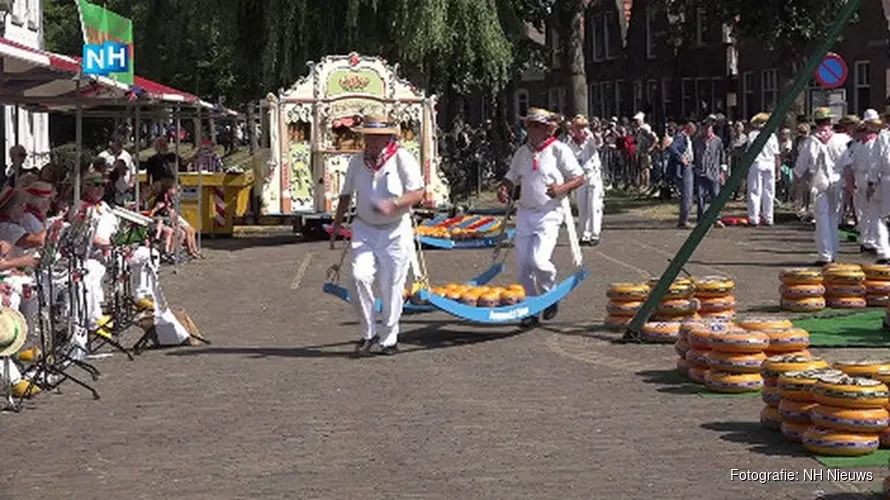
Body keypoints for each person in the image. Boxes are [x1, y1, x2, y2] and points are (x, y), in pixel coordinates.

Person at [330, 114, 425, 356]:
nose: (370, 142)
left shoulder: (402, 159)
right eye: (367, 137)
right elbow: (345, 195)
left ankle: (389, 338)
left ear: (388, 137)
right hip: (364, 228)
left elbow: (417, 193)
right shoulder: (357, 162)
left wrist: (394, 204)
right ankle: (368, 332)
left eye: (376, 137)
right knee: (359, 277)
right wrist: (336, 225)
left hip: (395, 230)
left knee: (392, 285)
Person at [497, 107, 585, 327]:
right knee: (524, 265)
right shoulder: (522, 152)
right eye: (529, 125)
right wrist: (504, 188)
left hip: (549, 212)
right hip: (525, 212)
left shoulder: (559, 150)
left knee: (539, 260)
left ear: (547, 129)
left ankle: (549, 295)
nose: (531, 129)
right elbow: (511, 177)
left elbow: (579, 177)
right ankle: (530, 309)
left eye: (536, 125)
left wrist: (561, 189)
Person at [794, 107, 851, 265]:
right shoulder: (841, 139)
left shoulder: (811, 141)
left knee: (822, 219)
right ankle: (833, 250)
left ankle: (825, 254)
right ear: (830, 122)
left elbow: (801, 165)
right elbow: (847, 164)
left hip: (819, 182)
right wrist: (850, 184)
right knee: (834, 217)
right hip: (837, 181)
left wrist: (796, 179)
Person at [845, 110, 888, 261]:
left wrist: (872, 181)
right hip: (862, 177)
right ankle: (866, 240)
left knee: (873, 212)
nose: (862, 133)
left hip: (872, 178)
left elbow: (874, 164)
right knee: (862, 211)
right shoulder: (858, 145)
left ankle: (874, 243)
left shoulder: (875, 142)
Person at [562, 115, 603, 245]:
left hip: (592, 175)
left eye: (582, 127)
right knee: (582, 205)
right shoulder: (569, 142)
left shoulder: (589, 138)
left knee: (594, 204)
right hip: (579, 177)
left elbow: (598, 142)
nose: (580, 131)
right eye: (577, 128)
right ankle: (584, 234)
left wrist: (594, 132)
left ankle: (594, 234)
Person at [746, 112, 781, 227]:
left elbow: (749, 151)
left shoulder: (752, 135)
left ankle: (754, 218)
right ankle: (768, 217)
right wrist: (778, 170)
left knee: (755, 191)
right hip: (769, 163)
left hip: (757, 163)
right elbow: (777, 155)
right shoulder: (772, 136)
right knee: (769, 192)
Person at [691, 115, 727, 228]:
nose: (707, 130)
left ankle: (716, 218)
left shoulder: (717, 141)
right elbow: (693, 155)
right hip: (700, 172)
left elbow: (722, 156)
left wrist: (722, 172)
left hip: (714, 173)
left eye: (709, 128)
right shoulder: (696, 141)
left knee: (715, 196)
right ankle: (701, 219)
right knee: (700, 196)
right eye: (705, 128)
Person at [667, 120, 697, 229]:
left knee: (688, 194)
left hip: (689, 166)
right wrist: (681, 158)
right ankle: (684, 220)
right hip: (684, 168)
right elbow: (672, 147)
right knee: (687, 194)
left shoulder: (687, 138)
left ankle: (683, 219)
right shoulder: (681, 137)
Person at [98, 138, 135, 205]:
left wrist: (131, 183)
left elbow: (132, 171)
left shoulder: (127, 155)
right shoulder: (103, 156)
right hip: (109, 189)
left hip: (125, 189)